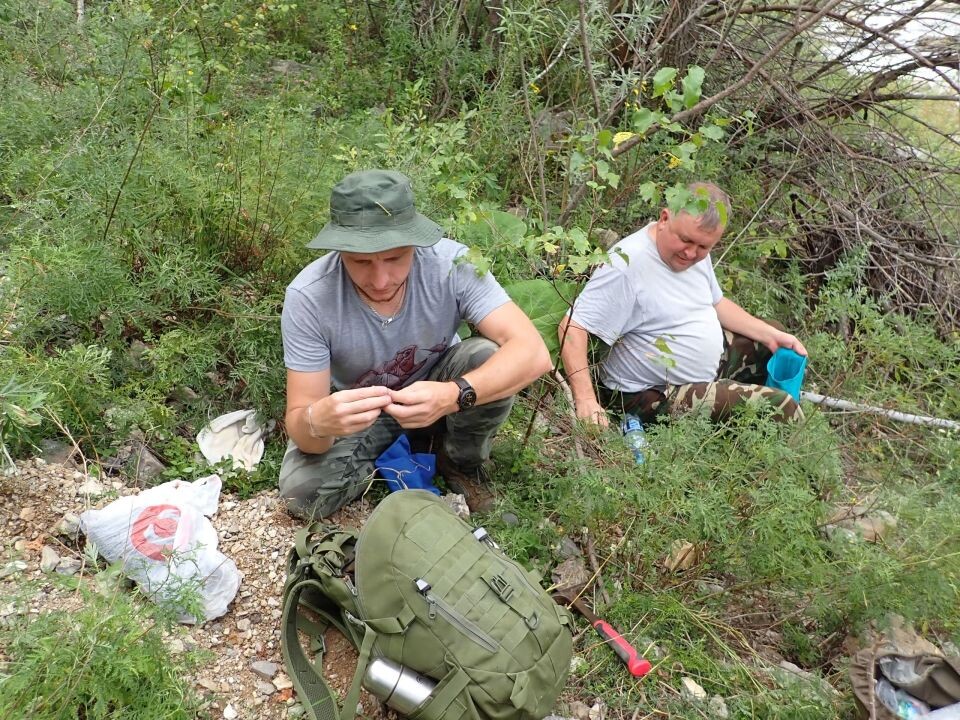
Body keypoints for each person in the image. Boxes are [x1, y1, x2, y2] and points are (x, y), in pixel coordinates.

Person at [280, 169, 551, 516]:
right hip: (368, 410)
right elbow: (301, 419)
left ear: (415, 242)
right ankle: (395, 455)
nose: (380, 280)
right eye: (361, 262)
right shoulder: (310, 297)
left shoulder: (452, 264)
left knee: (486, 355)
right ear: (339, 249)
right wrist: (318, 421)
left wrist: (454, 394)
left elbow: (533, 352)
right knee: (301, 495)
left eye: (395, 258)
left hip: (441, 387)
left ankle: (459, 462)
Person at [558, 182, 807, 428]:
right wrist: (586, 400)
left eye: (703, 247)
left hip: (704, 369)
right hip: (649, 395)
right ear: (664, 218)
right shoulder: (627, 265)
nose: (691, 254)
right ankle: (770, 426)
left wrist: (771, 336)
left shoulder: (694, 254)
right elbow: (572, 327)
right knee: (781, 405)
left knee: (776, 343)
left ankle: (747, 413)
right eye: (686, 241)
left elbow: (715, 303)